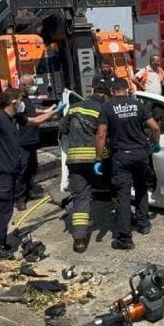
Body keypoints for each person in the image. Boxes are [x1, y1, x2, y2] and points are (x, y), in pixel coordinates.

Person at [0, 89, 63, 259]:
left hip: (10, 170)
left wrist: (55, 111)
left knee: (2, 208)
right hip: (1, 171)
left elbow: (37, 120)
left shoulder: (15, 118)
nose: (22, 102)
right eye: (20, 99)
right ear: (13, 102)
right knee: (3, 209)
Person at [95, 78, 161, 250]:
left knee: (123, 196)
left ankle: (124, 239)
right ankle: (144, 224)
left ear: (112, 90)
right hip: (140, 154)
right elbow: (154, 127)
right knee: (141, 188)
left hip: (121, 157)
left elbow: (101, 134)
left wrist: (98, 158)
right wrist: (156, 143)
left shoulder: (107, 107)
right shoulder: (137, 105)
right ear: (127, 89)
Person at [60, 80, 110, 252]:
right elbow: (105, 135)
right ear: (104, 94)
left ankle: (80, 239)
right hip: (97, 161)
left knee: (80, 198)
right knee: (116, 187)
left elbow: (63, 130)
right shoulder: (102, 109)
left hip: (75, 162)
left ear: (93, 91)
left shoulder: (74, 107)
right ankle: (124, 219)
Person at [13, 73, 61, 211]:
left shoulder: (26, 99)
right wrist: (52, 113)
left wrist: (46, 110)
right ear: (23, 85)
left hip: (32, 140)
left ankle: (28, 191)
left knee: (33, 167)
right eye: (31, 84)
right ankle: (20, 199)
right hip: (23, 141)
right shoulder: (19, 100)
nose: (34, 87)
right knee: (23, 169)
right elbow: (33, 119)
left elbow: (32, 111)